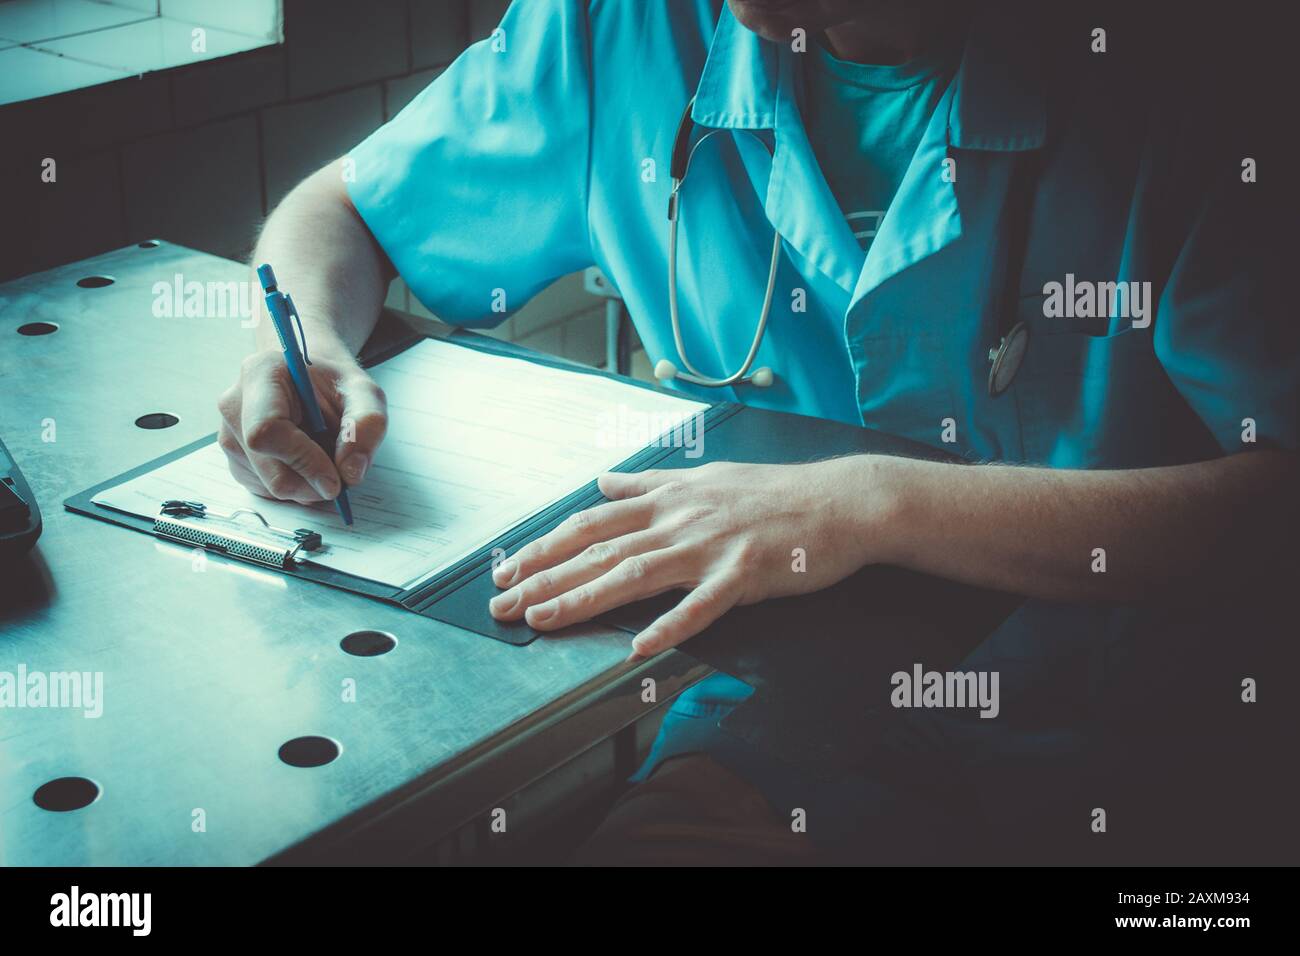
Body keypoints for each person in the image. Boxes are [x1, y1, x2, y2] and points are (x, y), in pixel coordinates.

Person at [217, 0, 1298, 864]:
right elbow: (345, 210)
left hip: (1151, 745)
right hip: (783, 731)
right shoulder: (624, 27)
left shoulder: (1195, 67)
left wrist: (871, 505)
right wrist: (305, 338)